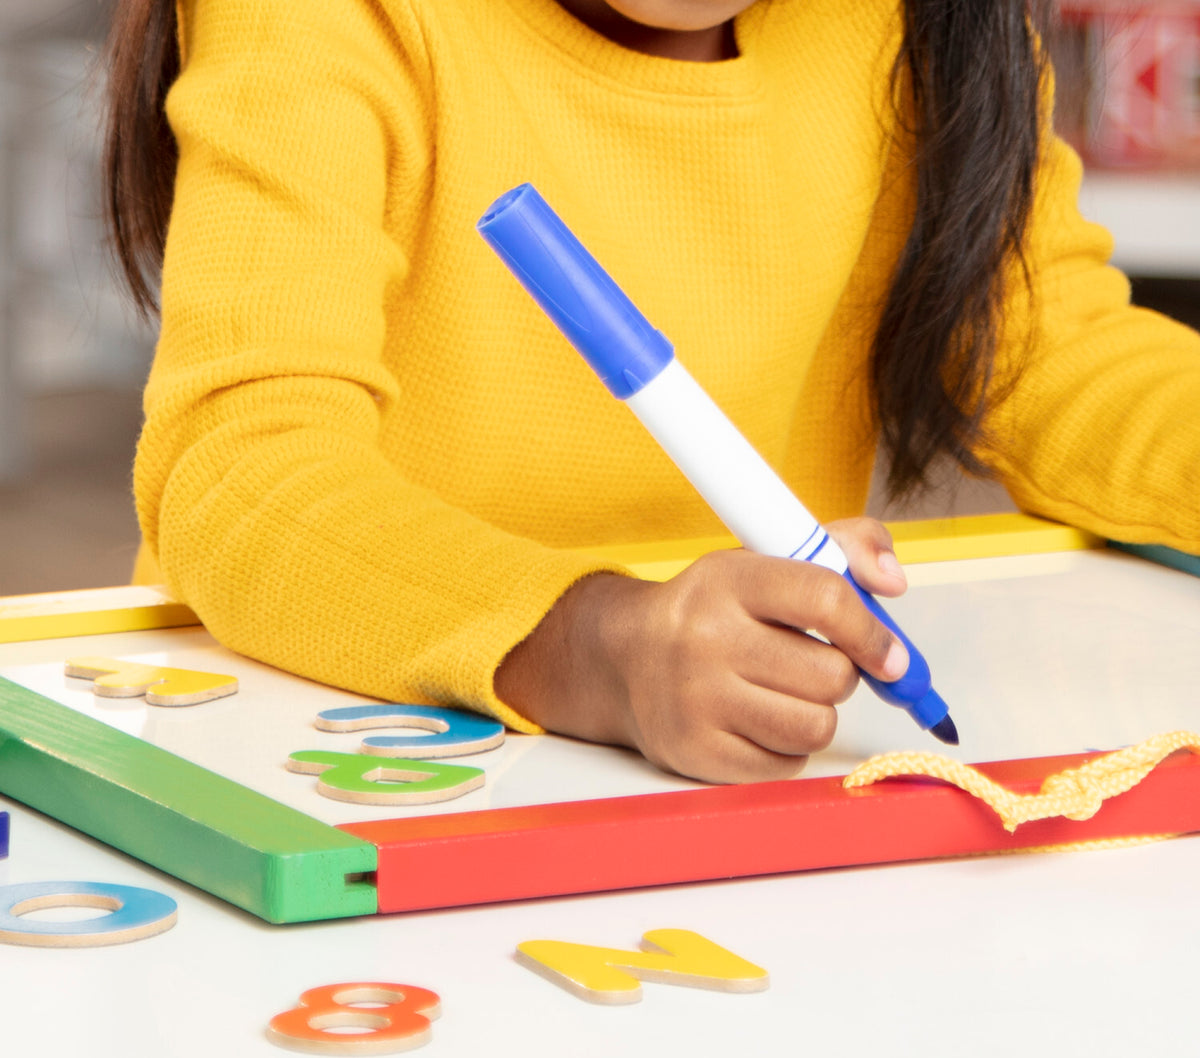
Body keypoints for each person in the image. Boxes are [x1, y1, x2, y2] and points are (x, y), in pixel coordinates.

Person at [103, 0, 1200, 784]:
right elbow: (239, 471)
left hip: (737, 774)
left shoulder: (922, 22)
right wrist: (600, 645)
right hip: (309, 747)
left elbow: (1048, 346)